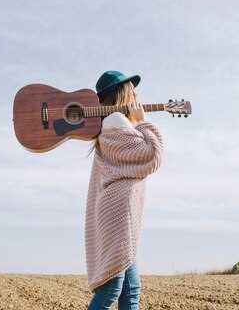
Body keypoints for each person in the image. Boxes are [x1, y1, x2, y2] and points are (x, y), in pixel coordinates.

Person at [85, 70, 163, 310]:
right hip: (118, 216)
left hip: (119, 216)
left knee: (131, 290)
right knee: (111, 289)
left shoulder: (112, 125)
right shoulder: (116, 122)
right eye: (133, 90)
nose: (137, 95)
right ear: (122, 93)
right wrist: (141, 122)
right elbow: (152, 154)